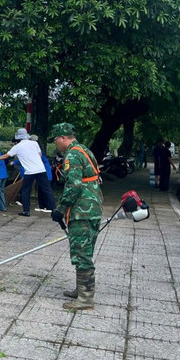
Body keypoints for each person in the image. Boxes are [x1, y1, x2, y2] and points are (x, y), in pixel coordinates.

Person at [49, 122, 103, 310]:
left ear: (62, 138)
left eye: (56, 139)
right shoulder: (84, 149)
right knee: (85, 251)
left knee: (82, 254)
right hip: (93, 208)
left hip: (82, 211)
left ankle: (86, 298)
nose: (55, 143)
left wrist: (61, 209)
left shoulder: (71, 155)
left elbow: (74, 185)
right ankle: (81, 290)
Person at [0, 128, 56, 216]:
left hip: (29, 172)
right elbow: (40, 155)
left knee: (26, 191)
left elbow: (5, 156)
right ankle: (54, 209)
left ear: (18, 137)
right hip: (41, 169)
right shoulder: (34, 143)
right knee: (47, 190)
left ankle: (26, 211)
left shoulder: (17, 147)